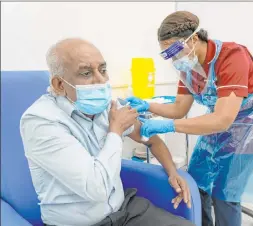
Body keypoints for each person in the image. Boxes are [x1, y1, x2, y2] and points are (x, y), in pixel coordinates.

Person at [126, 11, 253, 226]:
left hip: (251, 126)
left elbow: (223, 120)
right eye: (168, 54)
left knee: (225, 191)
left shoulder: (232, 56)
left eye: (175, 50)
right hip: (217, 122)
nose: (174, 58)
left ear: (194, 38)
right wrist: (147, 104)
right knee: (198, 179)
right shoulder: (188, 68)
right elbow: (179, 108)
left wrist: (168, 126)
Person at [20, 38, 194, 226]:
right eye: (86, 73)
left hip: (124, 210)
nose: (101, 80)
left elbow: (148, 137)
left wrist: (172, 172)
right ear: (59, 85)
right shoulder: (41, 122)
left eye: (102, 70)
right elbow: (97, 188)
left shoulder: (105, 107)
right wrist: (115, 131)